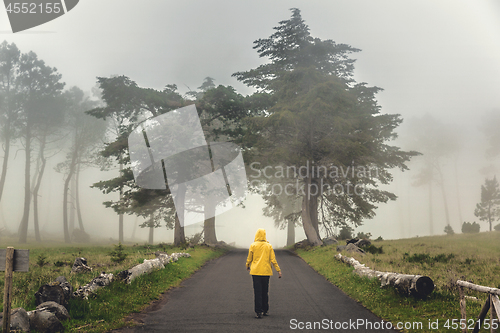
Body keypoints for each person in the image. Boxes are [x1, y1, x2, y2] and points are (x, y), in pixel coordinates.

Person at [246, 228, 282, 319]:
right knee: (265, 291)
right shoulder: (268, 246)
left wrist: (247, 265)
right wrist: (278, 270)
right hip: (266, 272)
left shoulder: (253, 245)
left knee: (257, 292)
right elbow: (273, 259)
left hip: (255, 272)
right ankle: (265, 309)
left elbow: (250, 258)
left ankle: (258, 311)